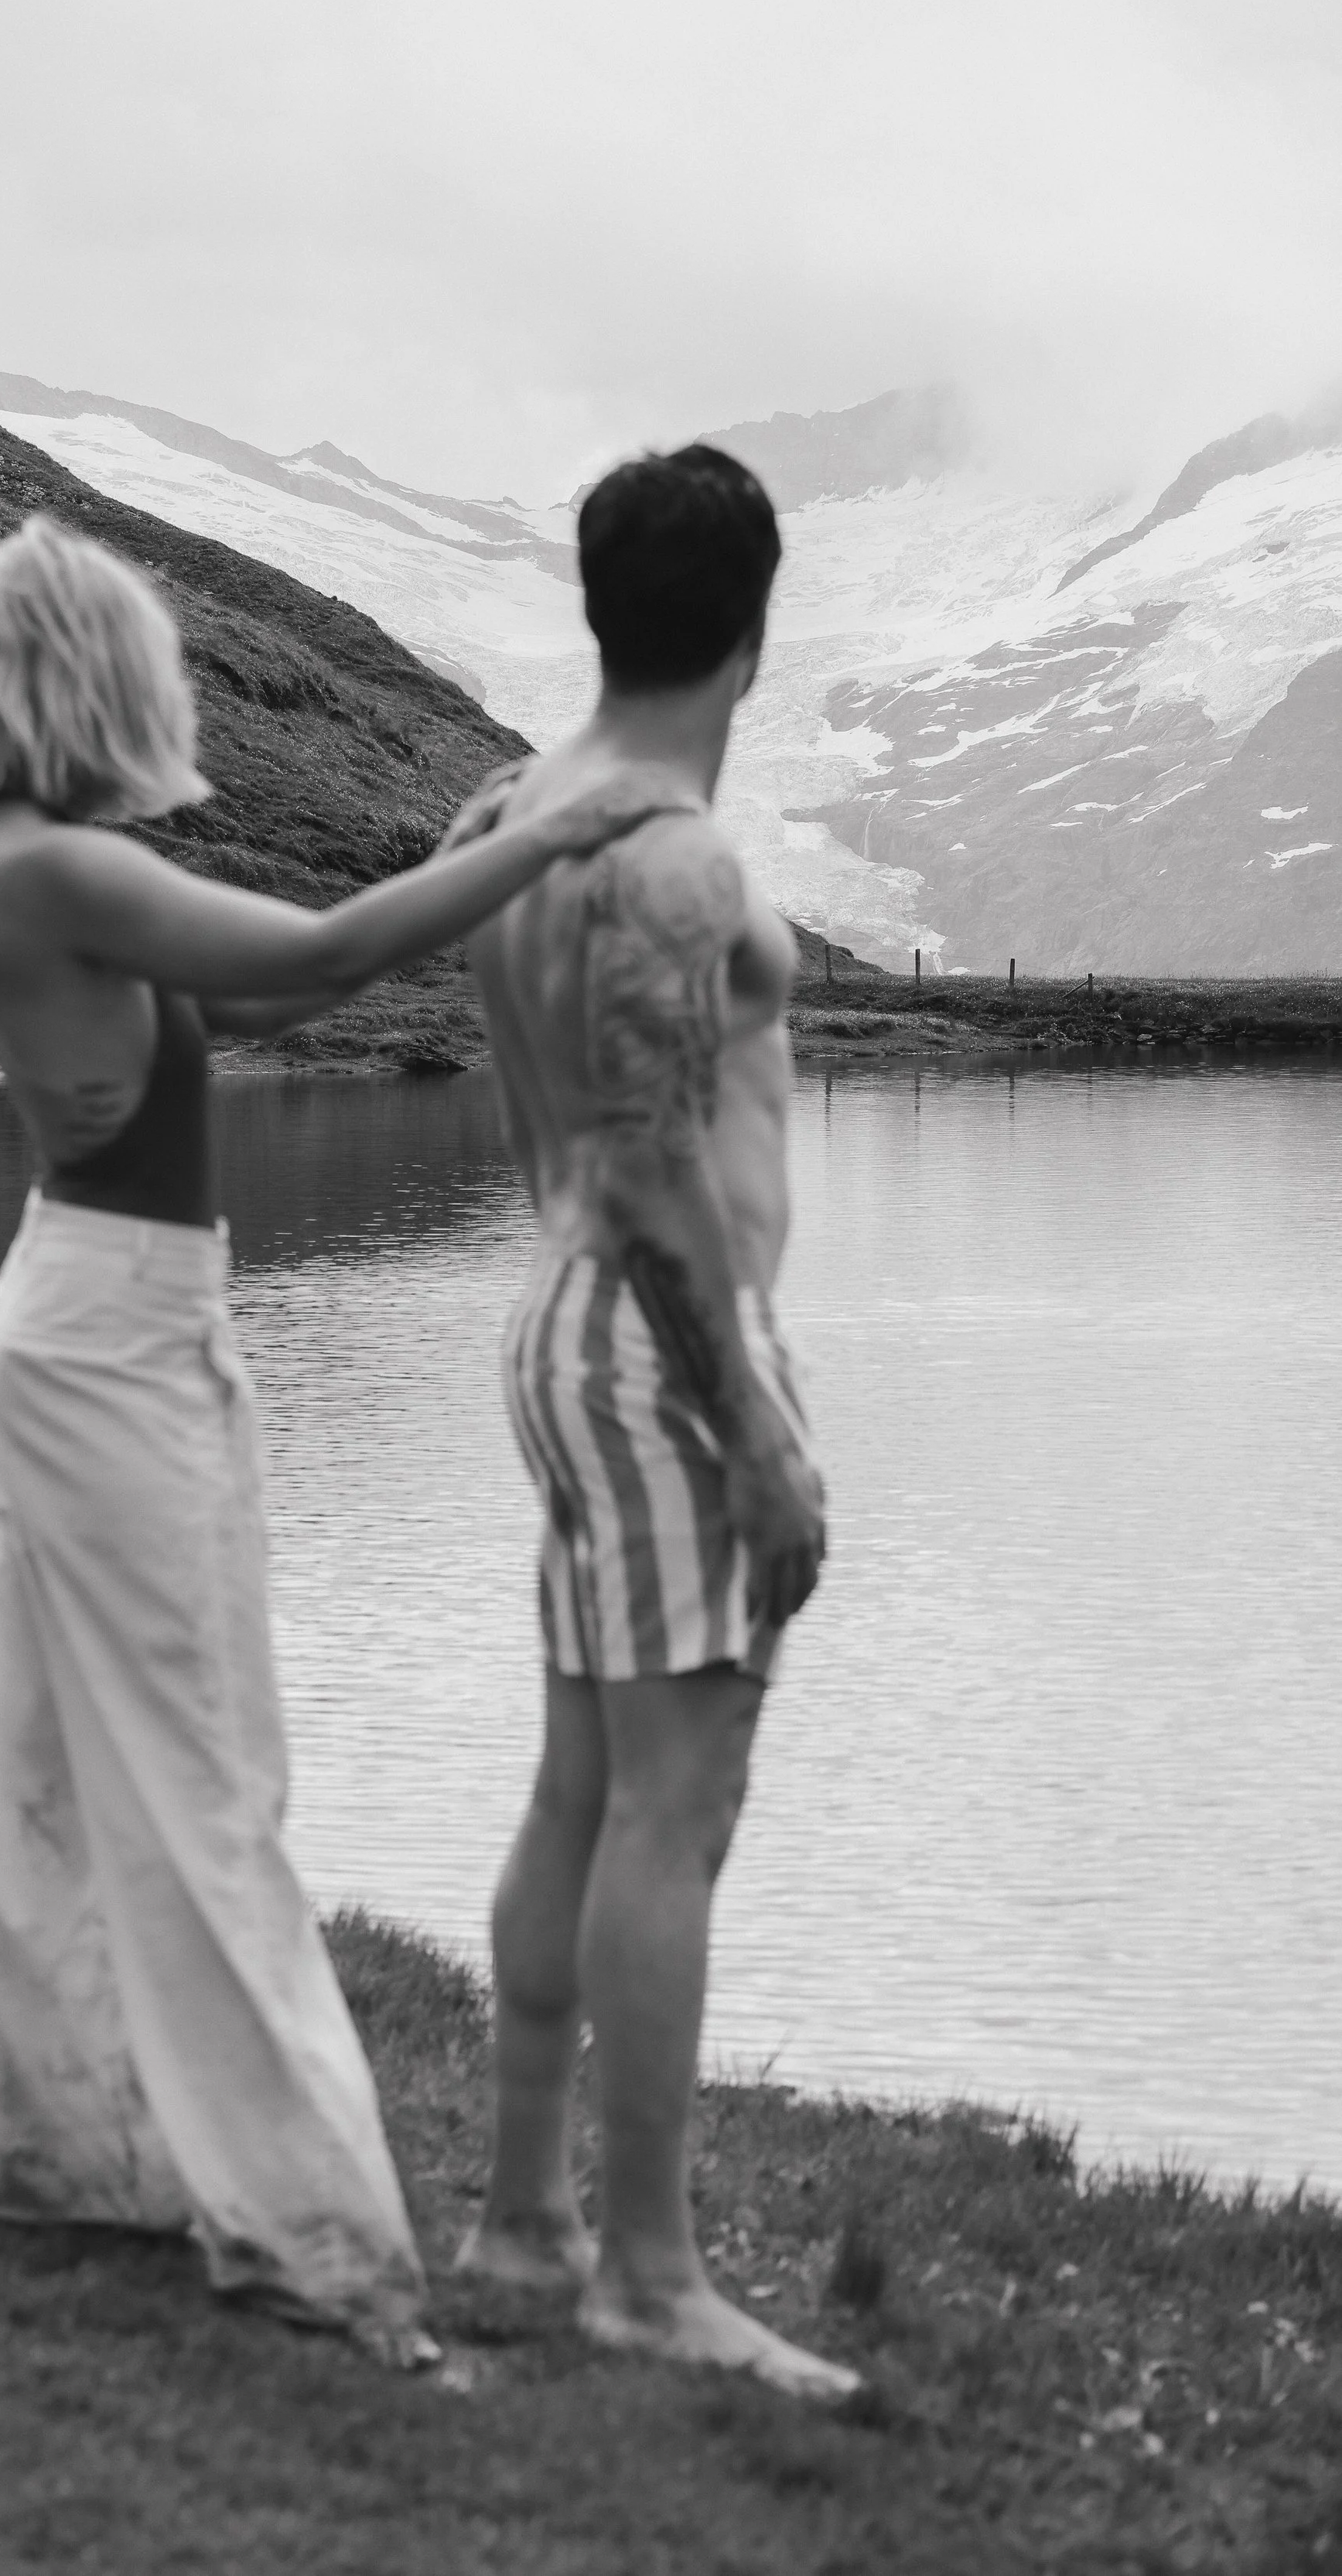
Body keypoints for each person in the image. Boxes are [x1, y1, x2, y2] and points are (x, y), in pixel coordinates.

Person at [0, 514, 678, 2366]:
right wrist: (547, 838)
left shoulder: (27, 866)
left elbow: (258, 988)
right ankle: (315, 2238)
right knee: (203, 1776)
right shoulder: (47, 866)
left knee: (56, 1771)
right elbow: (325, 952)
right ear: (95, 688)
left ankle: (61, 2150)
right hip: (110, 1344)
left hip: (89, 1320)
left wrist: (460, 850)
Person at [448, 445, 860, 2400]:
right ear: (753, 631)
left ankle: (524, 2222)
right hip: (655, 1335)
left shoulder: (511, 807)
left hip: (556, 1324)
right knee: (672, 1814)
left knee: (577, 1787)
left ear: (599, 605)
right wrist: (760, 1438)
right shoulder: (671, 858)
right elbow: (651, 1162)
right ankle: (644, 2268)